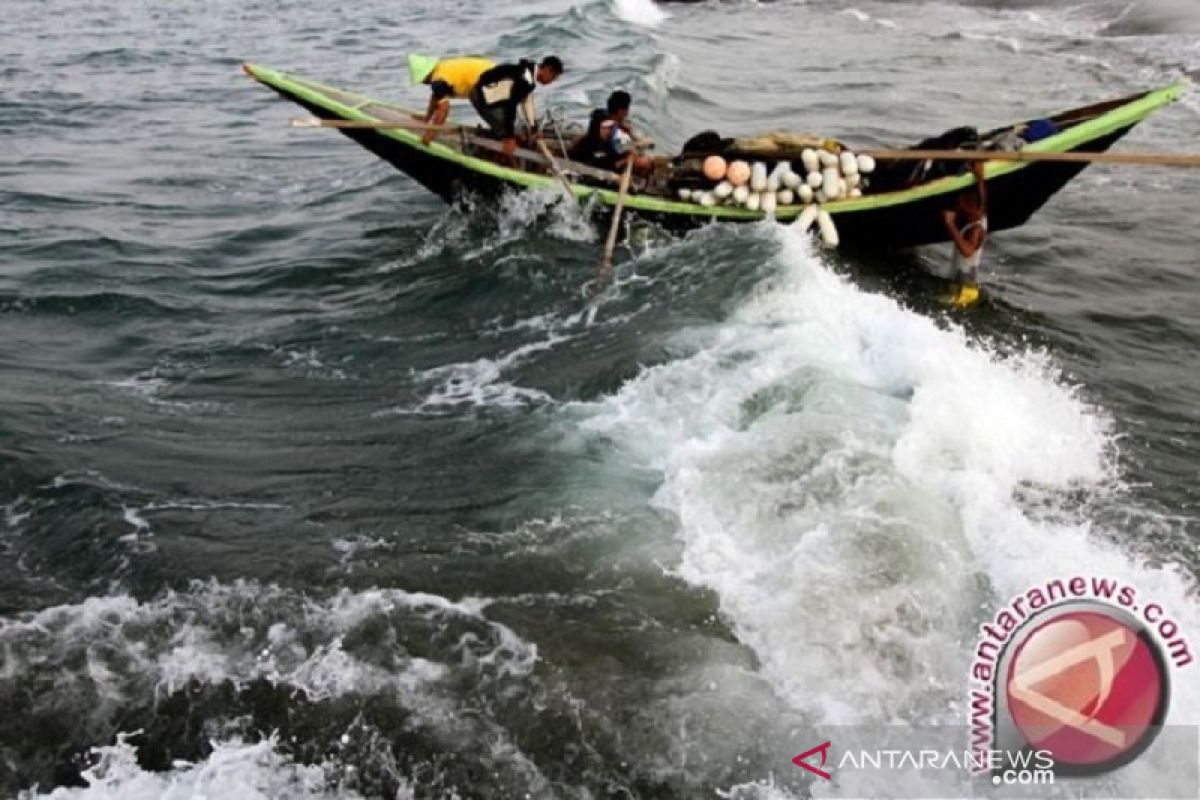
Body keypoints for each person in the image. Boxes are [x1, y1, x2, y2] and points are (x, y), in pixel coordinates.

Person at [468, 56, 564, 157]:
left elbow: (527, 103)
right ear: (547, 70)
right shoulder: (524, 78)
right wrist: (509, 137)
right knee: (505, 131)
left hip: (495, 99)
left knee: (515, 129)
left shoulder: (529, 76)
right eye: (553, 77)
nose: (552, 81)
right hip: (481, 97)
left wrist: (534, 129)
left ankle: (499, 141)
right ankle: (490, 151)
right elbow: (511, 106)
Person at [407, 54, 497, 145]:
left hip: (490, 80)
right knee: (479, 99)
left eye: (421, 80)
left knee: (480, 99)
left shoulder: (438, 81)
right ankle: (499, 131)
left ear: (425, 76)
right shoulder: (441, 69)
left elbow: (443, 109)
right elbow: (435, 97)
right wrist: (427, 118)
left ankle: (500, 134)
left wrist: (430, 135)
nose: (423, 83)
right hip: (492, 71)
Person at [569, 90, 653, 176]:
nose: (627, 113)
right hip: (597, 161)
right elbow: (628, 148)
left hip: (594, 154)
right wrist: (639, 144)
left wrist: (630, 134)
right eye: (627, 110)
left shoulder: (602, 116)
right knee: (643, 163)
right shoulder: (610, 128)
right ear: (621, 111)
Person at [941, 161, 988, 307]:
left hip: (964, 289)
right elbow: (982, 198)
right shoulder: (981, 215)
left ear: (969, 207)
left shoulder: (975, 229)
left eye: (961, 203)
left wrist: (950, 224)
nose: (958, 205)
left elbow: (967, 251)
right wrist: (980, 178)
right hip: (961, 284)